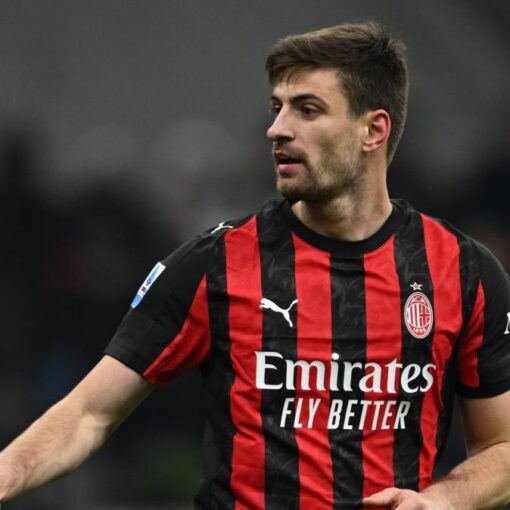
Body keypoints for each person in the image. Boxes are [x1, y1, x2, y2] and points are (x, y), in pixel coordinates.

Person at [1, 21, 510, 510]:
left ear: (373, 130)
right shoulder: (215, 263)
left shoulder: (463, 271)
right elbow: (86, 415)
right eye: (277, 108)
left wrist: (443, 500)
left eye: (307, 110)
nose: (277, 129)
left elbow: (502, 448)